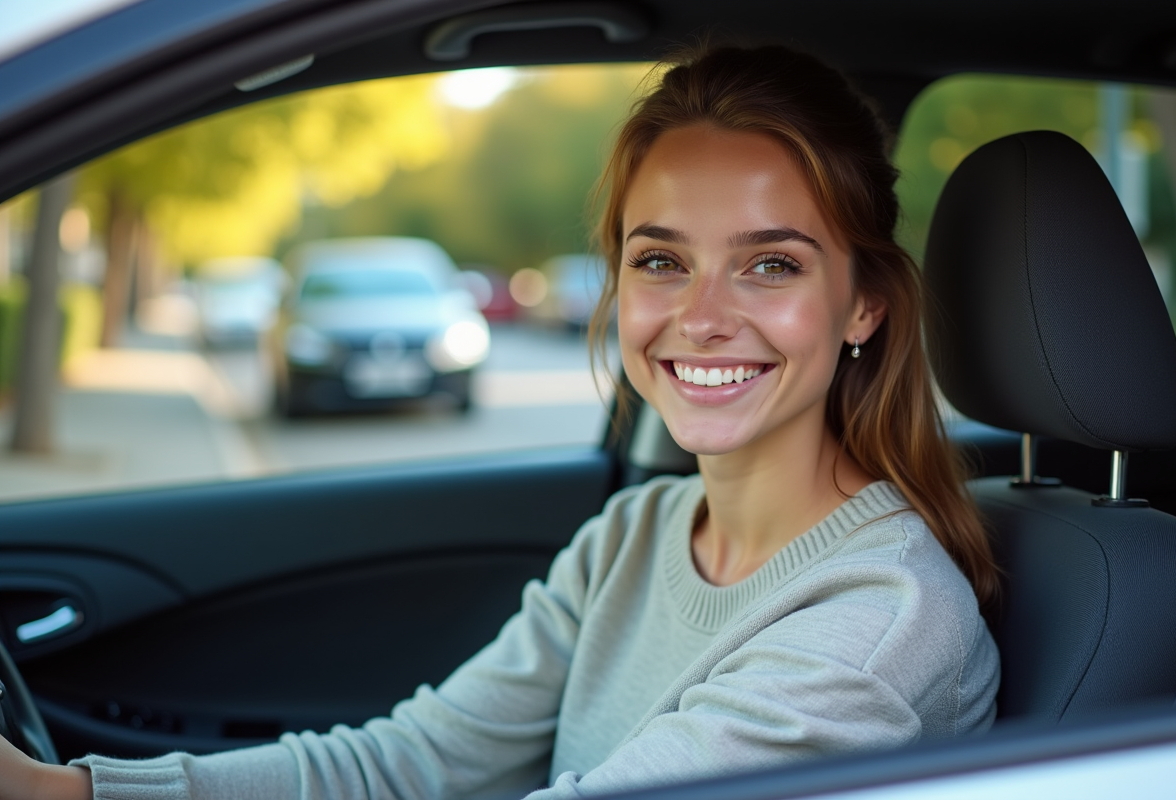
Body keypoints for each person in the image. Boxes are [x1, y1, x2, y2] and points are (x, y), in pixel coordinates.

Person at [0, 45, 1000, 800]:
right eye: (661, 260)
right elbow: (414, 760)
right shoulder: (636, 535)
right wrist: (69, 791)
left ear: (864, 304)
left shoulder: (878, 621)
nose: (702, 316)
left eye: (770, 264)